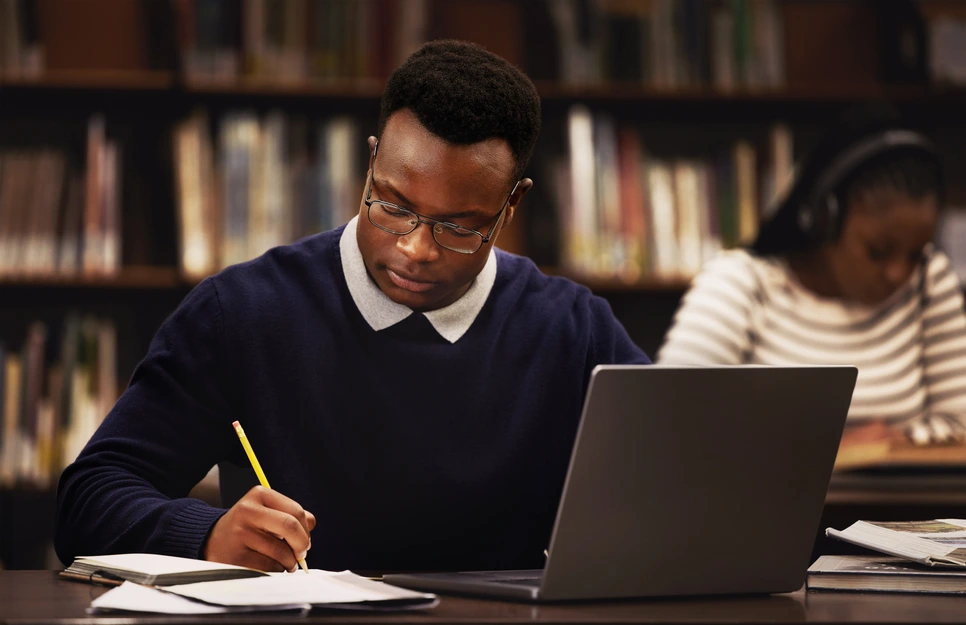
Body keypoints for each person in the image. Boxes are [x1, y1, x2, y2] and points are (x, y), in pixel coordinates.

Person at [54, 40, 650, 574]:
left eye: (458, 227)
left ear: (511, 206)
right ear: (370, 164)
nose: (415, 249)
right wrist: (205, 535)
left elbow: (676, 492)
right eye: (393, 206)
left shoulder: (573, 330)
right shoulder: (241, 313)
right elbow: (89, 499)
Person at [657, 104, 966, 450]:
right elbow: (669, 417)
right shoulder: (742, 282)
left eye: (915, 254)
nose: (899, 273)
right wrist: (838, 448)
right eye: (878, 251)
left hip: (907, 487)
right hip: (769, 487)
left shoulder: (929, 281)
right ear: (823, 220)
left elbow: (960, 424)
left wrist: (896, 442)